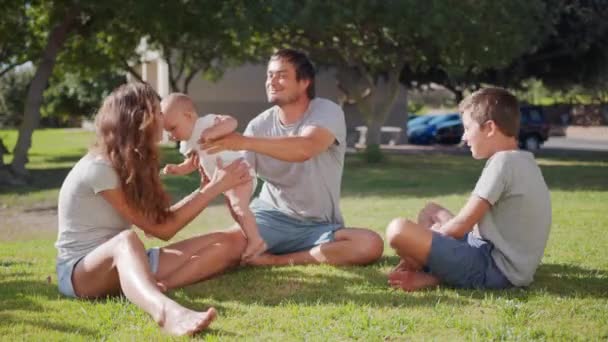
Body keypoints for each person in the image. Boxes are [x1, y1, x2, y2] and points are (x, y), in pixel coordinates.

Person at [55, 82, 252, 336]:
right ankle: (166, 312)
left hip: (131, 260)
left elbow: (161, 222)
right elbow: (162, 230)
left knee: (234, 241)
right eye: (158, 112)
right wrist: (214, 188)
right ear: (138, 119)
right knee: (124, 240)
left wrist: (206, 187)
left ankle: (154, 286)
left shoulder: (131, 162)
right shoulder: (100, 168)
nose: (163, 118)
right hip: (80, 273)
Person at [201, 48, 384, 266]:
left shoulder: (326, 111)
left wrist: (244, 141)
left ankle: (275, 261)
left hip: (319, 227)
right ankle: (160, 269)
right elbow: (239, 181)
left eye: (281, 75)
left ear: (304, 81)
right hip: (270, 218)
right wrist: (213, 170)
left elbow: (305, 148)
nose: (272, 81)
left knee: (369, 244)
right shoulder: (258, 126)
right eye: (269, 75)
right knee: (225, 245)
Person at [386, 87, 552, 291]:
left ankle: (430, 274)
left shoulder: (503, 163)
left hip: (495, 270)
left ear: (489, 128)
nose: (464, 137)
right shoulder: (524, 160)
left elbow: (461, 226)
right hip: (495, 255)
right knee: (431, 211)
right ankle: (428, 270)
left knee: (398, 230)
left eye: (467, 128)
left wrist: (429, 240)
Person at [160, 93, 265, 260]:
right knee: (235, 210)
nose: (171, 135)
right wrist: (178, 169)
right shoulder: (187, 143)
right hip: (224, 182)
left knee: (238, 206)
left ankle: (256, 241)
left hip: (239, 172)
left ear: (189, 116)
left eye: (173, 128)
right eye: (168, 131)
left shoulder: (206, 123)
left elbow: (232, 122)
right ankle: (246, 236)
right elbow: (192, 163)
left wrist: (214, 131)